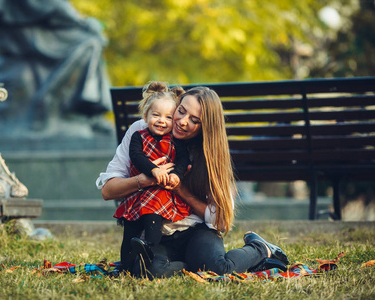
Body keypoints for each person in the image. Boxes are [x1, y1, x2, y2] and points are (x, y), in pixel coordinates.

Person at [96, 85, 289, 278]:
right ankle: (192, 265)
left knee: (219, 270)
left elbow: (220, 222)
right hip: (157, 235)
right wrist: (145, 179)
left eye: (194, 120)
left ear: (205, 127)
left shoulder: (210, 154)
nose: (182, 122)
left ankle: (259, 248)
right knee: (146, 271)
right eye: (181, 111)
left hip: (195, 231)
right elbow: (108, 191)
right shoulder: (142, 131)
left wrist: (181, 190)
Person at [113, 82, 191, 272]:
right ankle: (126, 263)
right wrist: (153, 170)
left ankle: (148, 249)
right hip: (137, 193)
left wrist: (176, 175)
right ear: (146, 116)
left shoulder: (175, 141)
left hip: (160, 193)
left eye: (168, 117)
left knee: (152, 220)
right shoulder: (138, 136)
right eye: (156, 115)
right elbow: (136, 156)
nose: (161, 121)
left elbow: (183, 160)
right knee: (130, 229)